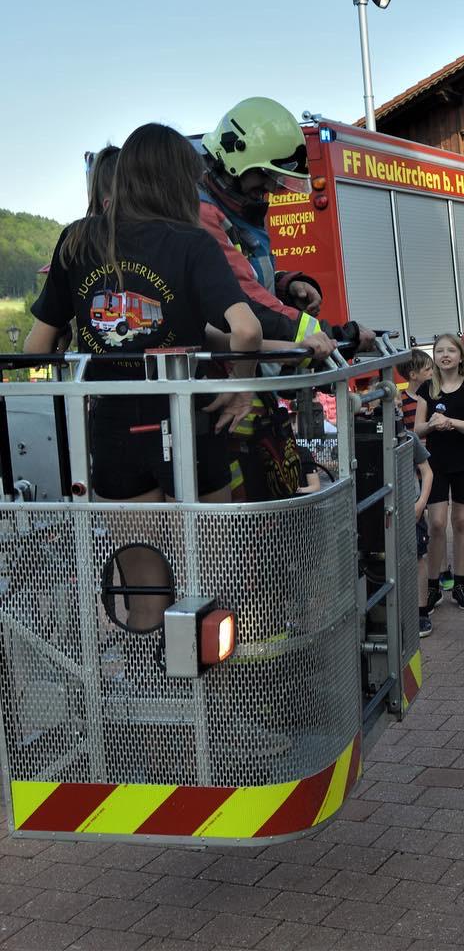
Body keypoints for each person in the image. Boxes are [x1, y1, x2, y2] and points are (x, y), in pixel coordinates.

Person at [28, 124, 263, 632]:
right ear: (179, 179)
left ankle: (147, 703)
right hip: (189, 425)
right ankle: (213, 707)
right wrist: (240, 387)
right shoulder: (191, 242)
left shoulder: (77, 239)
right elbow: (244, 329)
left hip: (114, 430)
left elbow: (35, 347)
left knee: (145, 597)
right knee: (209, 588)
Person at [196, 98, 342, 353]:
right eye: (267, 175)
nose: (273, 187)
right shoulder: (203, 215)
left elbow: (246, 273)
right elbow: (241, 296)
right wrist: (332, 335)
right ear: (235, 158)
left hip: (251, 366)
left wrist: (287, 286)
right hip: (227, 374)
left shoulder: (241, 207)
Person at [414, 333, 464, 611]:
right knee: (437, 524)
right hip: (436, 465)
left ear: (460, 356)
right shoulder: (427, 390)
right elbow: (417, 429)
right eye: (439, 351)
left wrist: (451, 422)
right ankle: (433, 586)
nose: (445, 355)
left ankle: (460, 584)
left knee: (460, 521)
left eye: (450, 351)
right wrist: (432, 424)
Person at [409, 429, 435, 638]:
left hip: (411, 509)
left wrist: (421, 503)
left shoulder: (409, 438)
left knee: (418, 558)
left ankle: (421, 611)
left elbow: (427, 472)